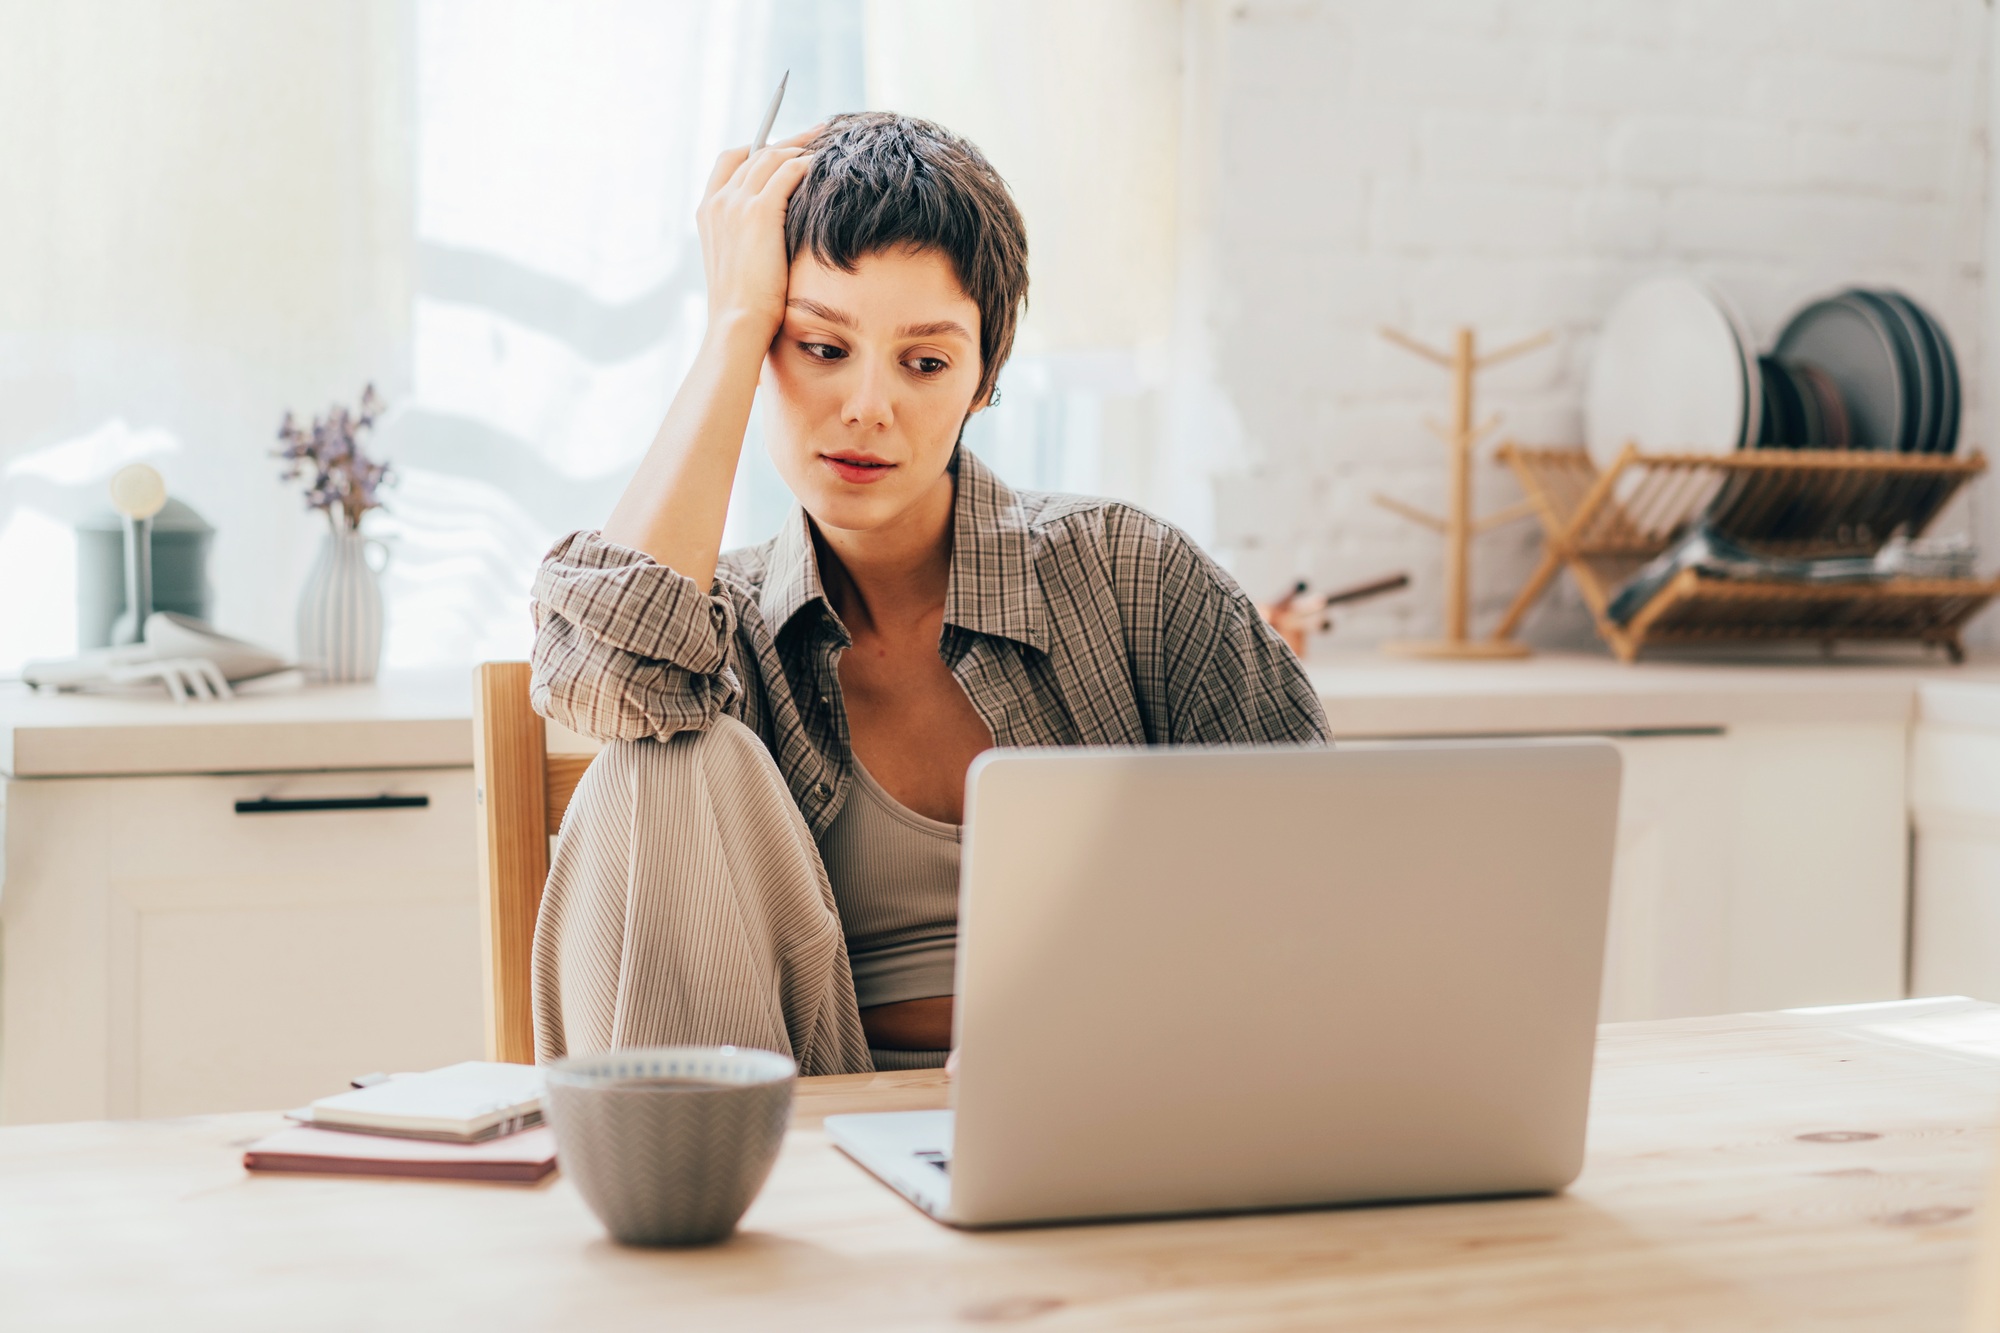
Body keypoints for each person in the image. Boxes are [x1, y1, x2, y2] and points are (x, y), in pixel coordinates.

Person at [529, 111, 1329, 1075]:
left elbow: (1323, 890)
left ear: (984, 380)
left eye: (926, 362)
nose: (868, 406)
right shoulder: (723, 630)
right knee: (656, 757)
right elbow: (611, 676)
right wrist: (734, 322)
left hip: (1120, 1103)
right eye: (821, 347)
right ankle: (689, 1203)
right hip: (806, 1135)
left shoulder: (1134, 578)